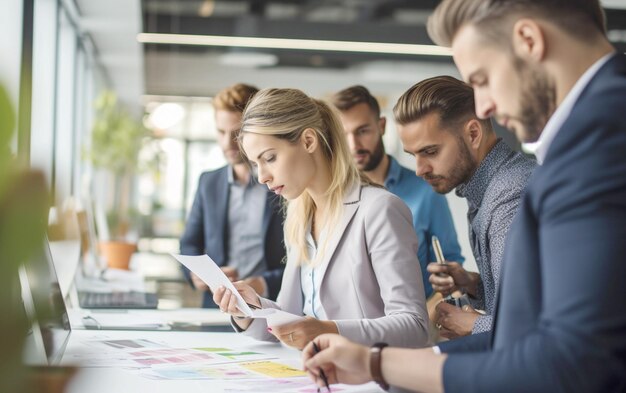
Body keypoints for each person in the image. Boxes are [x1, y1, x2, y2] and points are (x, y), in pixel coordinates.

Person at [303, 0, 626, 391]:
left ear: (528, 40)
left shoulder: (596, 148)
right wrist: (376, 363)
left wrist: (381, 364)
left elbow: (562, 361)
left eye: (483, 78)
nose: (485, 104)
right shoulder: (592, 133)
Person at [213, 87, 429, 352]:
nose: (262, 176)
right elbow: (291, 321)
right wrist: (250, 308)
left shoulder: (379, 210)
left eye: (269, 158)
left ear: (308, 141)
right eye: (256, 164)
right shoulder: (299, 215)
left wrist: (328, 331)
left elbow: (414, 326)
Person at [395, 75, 535, 338]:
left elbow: (529, 325)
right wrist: (473, 285)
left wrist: (470, 325)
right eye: (413, 155)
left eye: (431, 152)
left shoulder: (509, 199)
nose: (419, 170)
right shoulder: (488, 190)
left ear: (473, 133)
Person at [331, 85, 464, 308]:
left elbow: (450, 265)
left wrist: (431, 315)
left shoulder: (426, 191)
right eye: (345, 135)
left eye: (363, 131)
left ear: (381, 126)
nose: (354, 145)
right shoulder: (334, 197)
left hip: (417, 326)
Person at [179, 83, 286, 308]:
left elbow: (302, 259)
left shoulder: (283, 184)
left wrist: (262, 283)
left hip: (272, 306)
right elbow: (189, 245)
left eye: (237, 133)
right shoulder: (208, 183)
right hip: (217, 309)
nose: (228, 143)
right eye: (221, 132)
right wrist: (195, 274)